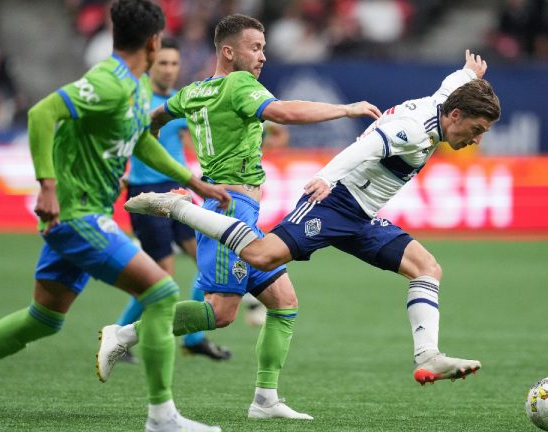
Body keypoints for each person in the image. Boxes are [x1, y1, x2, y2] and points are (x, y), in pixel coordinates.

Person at [123, 49, 499, 388]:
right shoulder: (414, 131)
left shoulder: (444, 102)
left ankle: (427, 357)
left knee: (427, 268)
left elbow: (453, 85)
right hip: (334, 204)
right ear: (455, 115)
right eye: (477, 130)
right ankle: (178, 207)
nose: (476, 139)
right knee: (259, 255)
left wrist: (469, 73)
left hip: (363, 216)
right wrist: (326, 178)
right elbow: (365, 146)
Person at [96, 14, 381, 420]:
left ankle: (265, 399)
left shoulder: (193, 92)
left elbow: (155, 119)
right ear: (228, 52)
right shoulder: (239, 83)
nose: (262, 56)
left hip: (233, 207)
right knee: (221, 311)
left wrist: (149, 143)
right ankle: (124, 334)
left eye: (264, 47)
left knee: (283, 301)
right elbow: (284, 113)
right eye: (256, 48)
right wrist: (346, 108)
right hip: (231, 209)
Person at [0, 2, 230, 431]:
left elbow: (142, 142)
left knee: (44, 320)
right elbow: (43, 113)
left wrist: (195, 181)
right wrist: (48, 185)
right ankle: (162, 418)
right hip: (79, 216)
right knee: (164, 293)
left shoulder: (133, 87)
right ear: (153, 42)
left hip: (83, 215)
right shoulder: (109, 82)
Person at [116, 37, 241, 364]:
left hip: (178, 190)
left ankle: (195, 339)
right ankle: (120, 333)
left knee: (205, 263)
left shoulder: (178, 102)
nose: (170, 70)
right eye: (163, 64)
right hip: (146, 194)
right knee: (162, 278)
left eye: (174, 64)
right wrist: (119, 171)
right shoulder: (136, 101)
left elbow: (208, 129)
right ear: (151, 64)